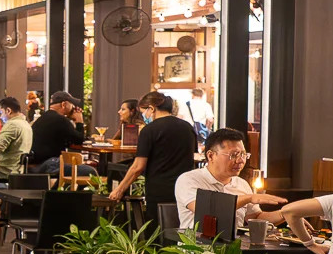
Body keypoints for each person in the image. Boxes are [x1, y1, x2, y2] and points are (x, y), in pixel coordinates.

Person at [108, 91, 197, 229]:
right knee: (180, 230)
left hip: (158, 188)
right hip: (183, 189)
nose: (144, 116)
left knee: (157, 231)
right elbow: (193, 157)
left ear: (152, 108)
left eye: (144, 111)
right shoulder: (188, 128)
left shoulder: (149, 130)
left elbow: (138, 167)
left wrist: (119, 190)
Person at [173, 127, 284, 230]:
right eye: (234, 155)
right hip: (196, 248)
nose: (241, 161)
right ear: (211, 156)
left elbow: (255, 218)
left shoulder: (242, 184)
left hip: (234, 249)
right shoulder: (188, 180)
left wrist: (284, 214)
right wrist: (249, 198)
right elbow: (205, 210)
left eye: (243, 155)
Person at [27, 90, 92, 175]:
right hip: (48, 164)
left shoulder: (44, 117)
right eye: (72, 104)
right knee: (90, 172)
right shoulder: (60, 120)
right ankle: (63, 188)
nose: (73, 107)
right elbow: (79, 139)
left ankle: (58, 187)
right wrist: (79, 121)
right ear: (64, 104)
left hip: (34, 163)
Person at [0, 96, 33, 177]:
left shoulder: (12, 125)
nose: (1, 117)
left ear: (8, 111)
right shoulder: (26, 124)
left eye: (1, 112)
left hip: (4, 171)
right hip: (18, 169)